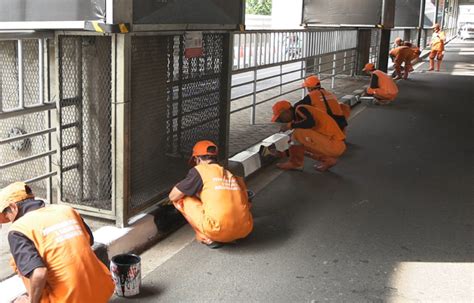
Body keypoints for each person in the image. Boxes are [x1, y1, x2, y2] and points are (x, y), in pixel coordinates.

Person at [0, 182, 114, 303]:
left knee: (20, 294)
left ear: (13, 207)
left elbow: (39, 273)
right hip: (101, 290)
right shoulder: (66, 210)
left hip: (68, 299)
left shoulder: (18, 229)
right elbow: (89, 240)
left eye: (7, 215)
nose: (9, 220)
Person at [169, 140, 253, 249]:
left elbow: (173, 196)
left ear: (197, 159)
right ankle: (232, 234)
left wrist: (181, 185)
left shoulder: (200, 170)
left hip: (217, 230)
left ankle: (207, 238)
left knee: (182, 199)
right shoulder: (229, 173)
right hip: (245, 228)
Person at [271, 100, 346, 172]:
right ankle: (328, 160)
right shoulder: (299, 118)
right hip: (333, 144)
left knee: (298, 133)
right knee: (299, 140)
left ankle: (295, 164)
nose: (282, 121)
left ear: (286, 112)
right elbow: (297, 147)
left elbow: (310, 123)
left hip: (334, 143)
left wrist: (290, 125)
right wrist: (283, 153)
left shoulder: (300, 108)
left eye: (280, 118)